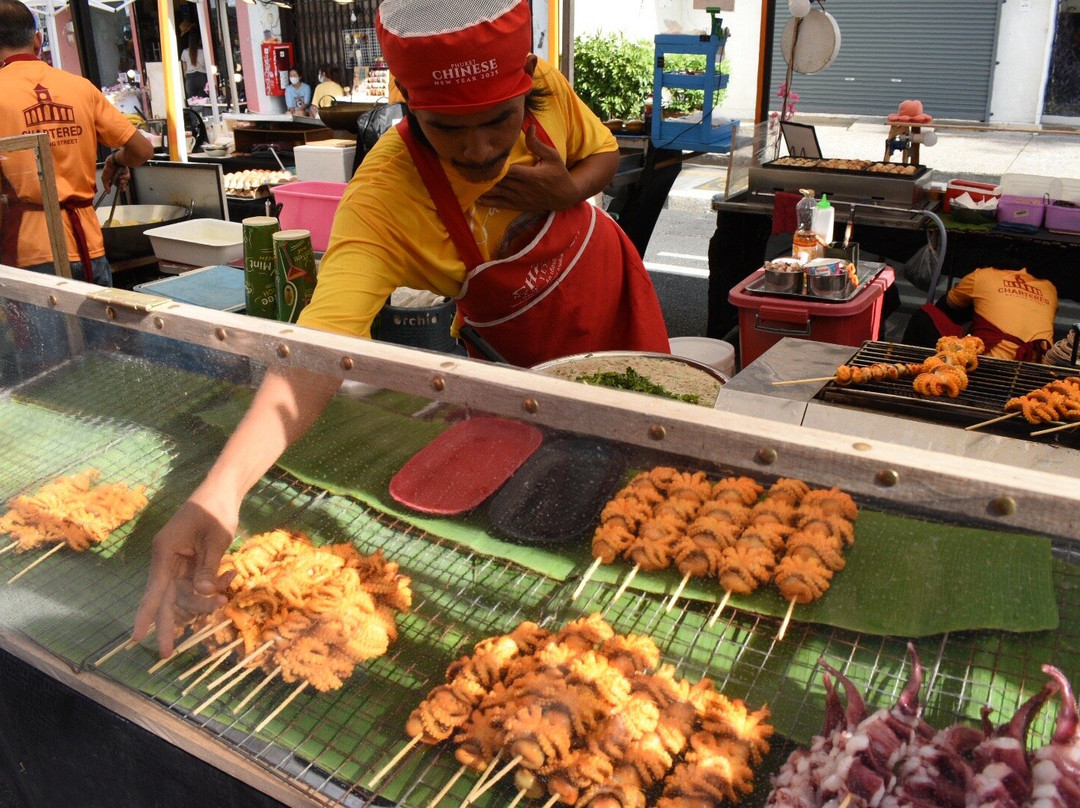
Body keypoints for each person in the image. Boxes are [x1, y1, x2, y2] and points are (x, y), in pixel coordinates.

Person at [133, 0, 669, 656]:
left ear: (527, 88)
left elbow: (605, 158)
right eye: (447, 129)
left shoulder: (548, 87)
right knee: (547, 512)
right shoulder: (384, 200)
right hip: (513, 364)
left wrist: (565, 192)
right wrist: (221, 491)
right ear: (409, 106)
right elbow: (317, 354)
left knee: (651, 482)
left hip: (613, 305)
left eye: (498, 120)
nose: (477, 148)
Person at [0, 0, 154, 286]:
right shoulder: (79, 87)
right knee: (96, 331)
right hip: (87, 246)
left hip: (28, 250)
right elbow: (142, 150)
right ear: (38, 40)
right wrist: (117, 160)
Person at [901, 265, 1058, 362]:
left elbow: (946, 307)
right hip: (1038, 367)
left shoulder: (982, 275)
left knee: (925, 314)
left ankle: (906, 369)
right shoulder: (1049, 288)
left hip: (990, 365)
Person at [180, 28, 207, 100]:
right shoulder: (204, 52)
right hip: (203, 77)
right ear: (200, 41)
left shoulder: (185, 52)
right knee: (204, 101)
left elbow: (184, 70)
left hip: (190, 79)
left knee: (192, 102)